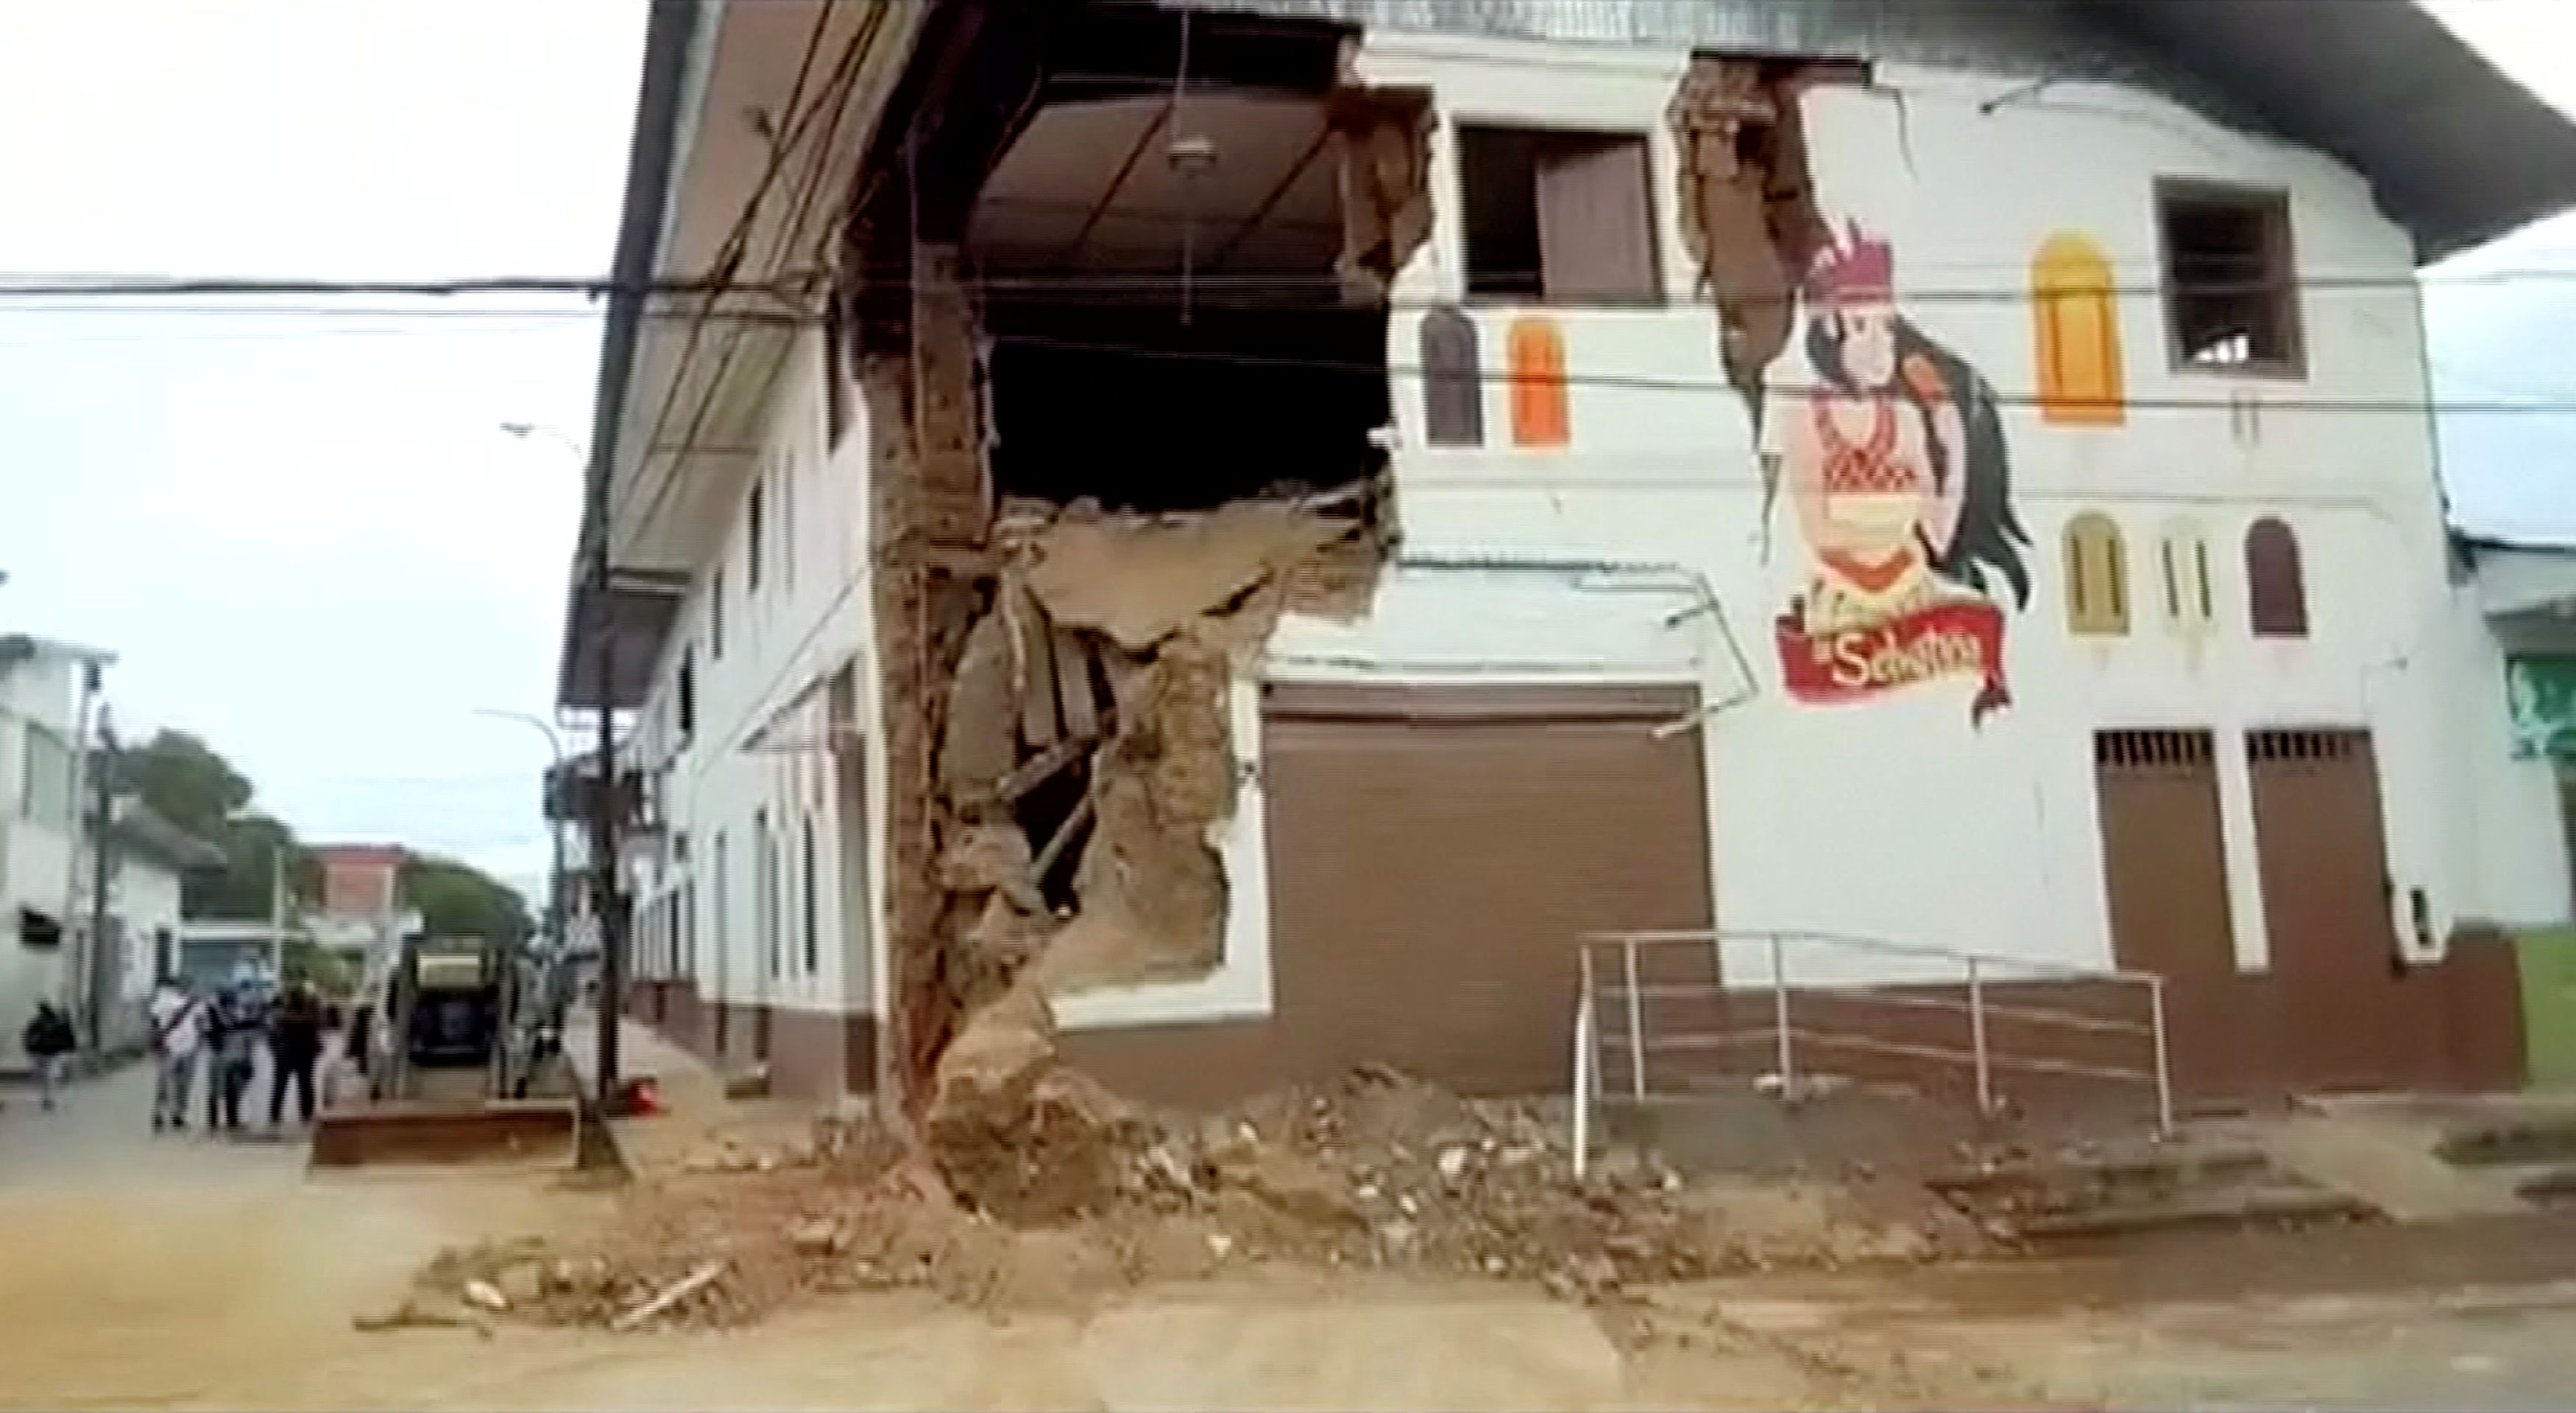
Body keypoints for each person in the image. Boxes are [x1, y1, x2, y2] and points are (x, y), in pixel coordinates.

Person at [145, 977, 206, 1132]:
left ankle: (176, 1115)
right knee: (167, 1084)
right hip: (170, 1048)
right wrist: (155, 1043)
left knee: (181, 1084)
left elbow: (200, 1024)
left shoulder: (195, 1004)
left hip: (187, 1048)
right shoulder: (164, 1000)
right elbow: (154, 1023)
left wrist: (199, 1045)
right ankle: (161, 1114)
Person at [266, 981, 324, 1128]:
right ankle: (306, 1113)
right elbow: (317, 1030)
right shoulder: (310, 1015)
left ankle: (275, 1113)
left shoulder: (281, 1015)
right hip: (304, 1053)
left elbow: (272, 1034)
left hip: (286, 1052)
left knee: (280, 1085)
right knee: (305, 1084)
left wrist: (274, 1049)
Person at [21, 1002, 77, 1111]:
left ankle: (48, 1098)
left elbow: (28, 1036)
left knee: (46, 1075)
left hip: (44, 1052)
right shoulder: (56, 1023)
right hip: (51, 1052)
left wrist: (29, 1048)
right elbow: (69, 1037)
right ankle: (49, 1097)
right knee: (48, 1075)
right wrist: (71, 1049)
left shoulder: (38, 1022)